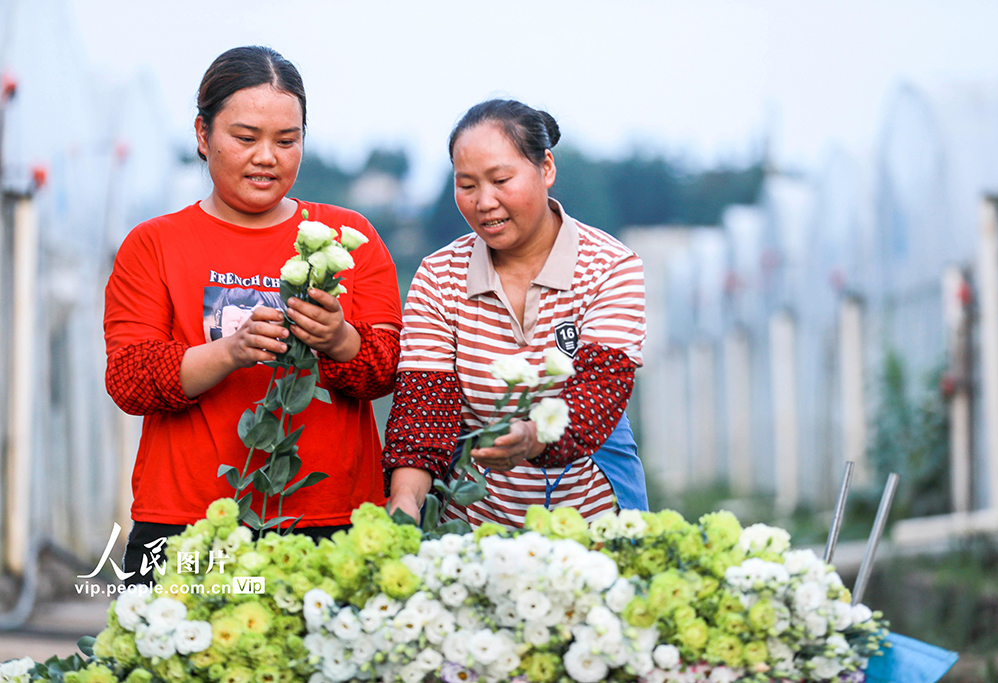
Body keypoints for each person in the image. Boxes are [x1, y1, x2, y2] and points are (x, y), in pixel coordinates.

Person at [104, 46, 402, 583]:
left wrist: (338, 339)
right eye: (246, 138)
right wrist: (229, 351)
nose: (267, 156)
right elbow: (130, 380)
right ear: (203, 135)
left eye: (286, 141)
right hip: (189, 521)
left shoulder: (348, 238)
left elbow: (384, 370)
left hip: (330, 518)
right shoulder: (154, 244)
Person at [383, 99, 647, 528]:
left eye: (501, 180)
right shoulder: (438, 277)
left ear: (546, 169)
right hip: (472, 525)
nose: (484, 201)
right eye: (466, 185)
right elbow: (423, 409)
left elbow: (599, 393)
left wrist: (532, 436)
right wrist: (405, 501)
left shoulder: (610, 266)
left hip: (593, 522)